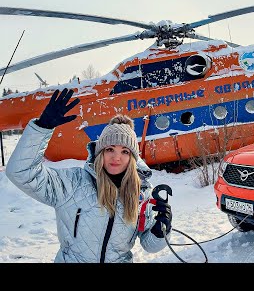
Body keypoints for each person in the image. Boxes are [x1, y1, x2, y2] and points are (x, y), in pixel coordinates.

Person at [6, 88, 173, 263]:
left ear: (132, 158)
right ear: (100, 152)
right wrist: (41, 129)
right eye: (109, 149)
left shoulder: (142, 192)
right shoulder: (73, 183)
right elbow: (20, 172)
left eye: (124, 151)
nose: (116, 157)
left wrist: (161, 229)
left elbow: (150, 245)